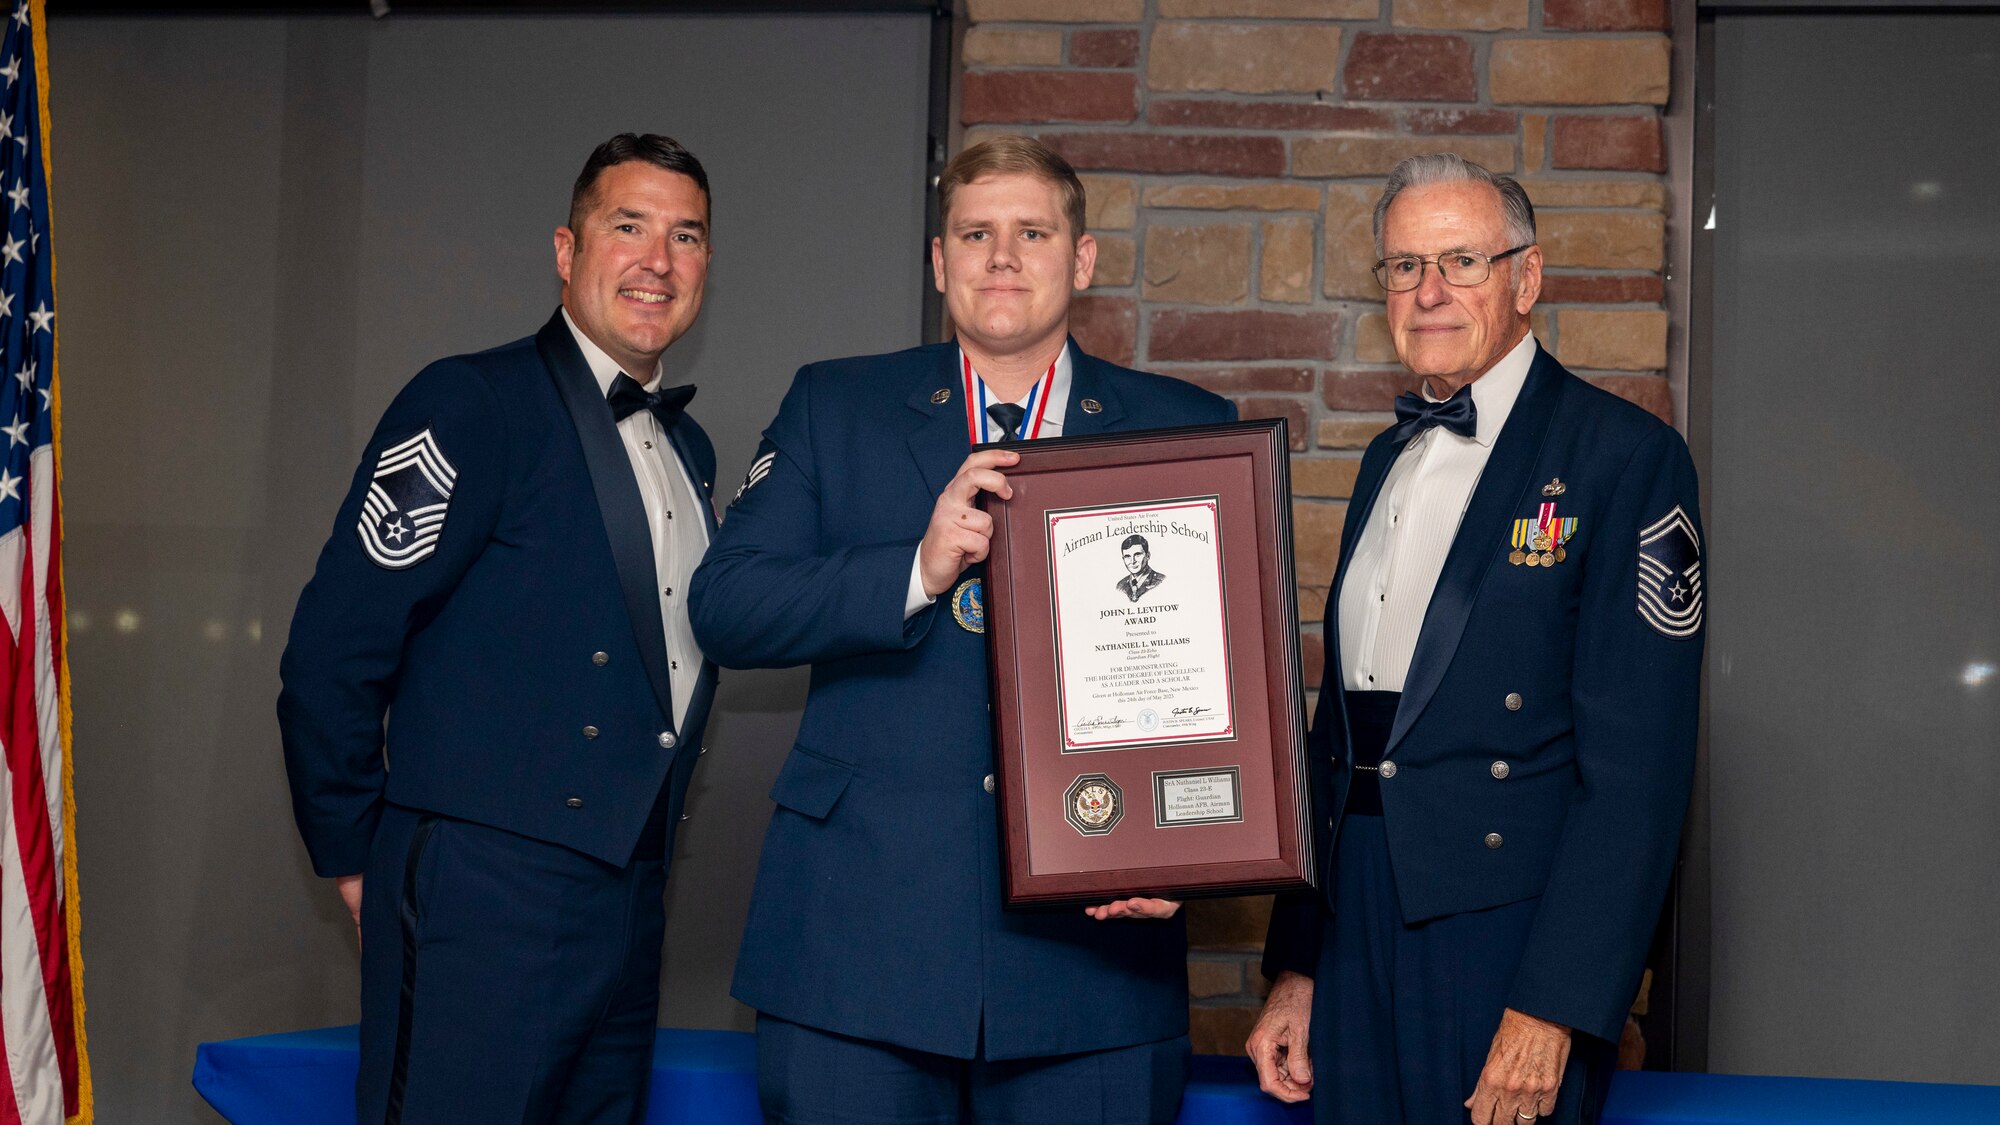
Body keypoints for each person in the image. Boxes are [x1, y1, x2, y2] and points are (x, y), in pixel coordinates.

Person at [689, 135, 1235, 1124]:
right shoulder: (835, 404)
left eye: (1032, 231)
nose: (1001, 255)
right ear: (939, 262)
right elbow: (726, 607)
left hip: (1094, 966)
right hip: (856, 950)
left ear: (1080, 260)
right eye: (974, 232)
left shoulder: (1185, 426)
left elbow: (1226, 682)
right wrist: (917, 567)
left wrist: (1188, 846)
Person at [1246, 153, 1704, 1125]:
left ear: (1524, 278)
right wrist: (1295, 966)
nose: (1429, 292)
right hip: (1357, 923)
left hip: (1507, 933)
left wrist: (1557, 1001)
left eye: (1459, 261)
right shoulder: (1383, 458)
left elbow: (1638, 775)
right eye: (1403, 267)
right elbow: (1337, 743)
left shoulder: (1623, 459)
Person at [279, 133, 722, 1124]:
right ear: (567, 251)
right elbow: (332, 651)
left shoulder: (688, 446)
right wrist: (360, 856)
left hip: (629, 893)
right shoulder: (469, 401)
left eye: (685, 236)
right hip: (485, 892)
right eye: (629, 226)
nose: (658, 259)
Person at [1115, 534, 1167, 602]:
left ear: (1148, 556)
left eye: (1137, 555)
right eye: (1127, 556)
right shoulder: (1120, 586)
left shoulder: (1161, 581)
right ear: (1123, 559)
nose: (1132, 561)